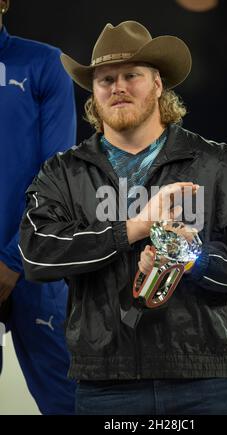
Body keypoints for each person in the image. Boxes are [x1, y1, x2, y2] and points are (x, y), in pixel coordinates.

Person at [19, 20, 227, 415]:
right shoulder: (62, 173)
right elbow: (36, 254)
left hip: (207, 382)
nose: (118, 87)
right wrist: (133, 229)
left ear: (158, 84)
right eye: (105, 79)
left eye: (131, 75)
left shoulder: (218, 164)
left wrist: (190, 258)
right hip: (105, 385)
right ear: (93, 92)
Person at [0, 0, 76, 414]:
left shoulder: (44, 64)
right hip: (28, 261)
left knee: (71, 406)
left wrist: (13, 259)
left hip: (33, 265)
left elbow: (59, 173)